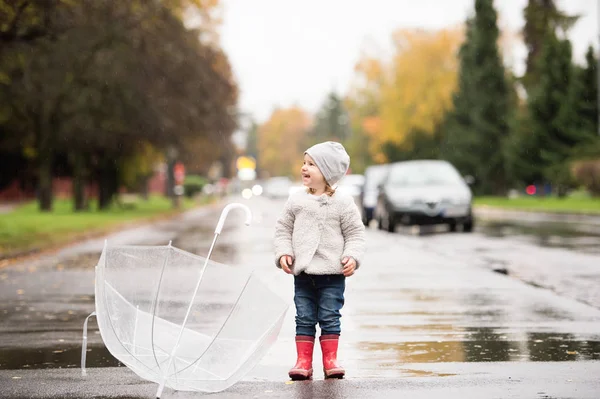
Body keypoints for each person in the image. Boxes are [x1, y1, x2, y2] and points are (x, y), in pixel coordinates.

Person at [274, 141, 366, 380]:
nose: (304, 168)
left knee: (329, 316)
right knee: (303, 316)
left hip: (332, 275)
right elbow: (283, 229)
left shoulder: (343, 202)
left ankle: (330, 360)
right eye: (304, 163)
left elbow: (355, 233)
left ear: (327, 173)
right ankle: (303, 361)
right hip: (303, 274)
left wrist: (353, 257)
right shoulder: (296, 200)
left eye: (312, 165)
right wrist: (284, 252)